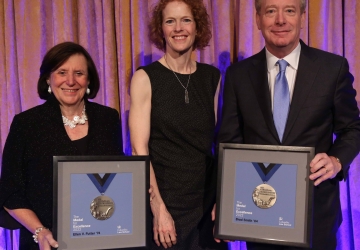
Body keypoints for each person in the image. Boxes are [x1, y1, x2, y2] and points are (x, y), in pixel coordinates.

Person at [218, 0, 360, 249]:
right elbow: (229, 142)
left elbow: (353, 128)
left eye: (290, 11)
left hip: (316, 214)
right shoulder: (237, 76)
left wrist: (336, 161)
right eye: (271, 11)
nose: (280, 20)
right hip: (258, 215)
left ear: (302, 18)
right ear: (258, 19)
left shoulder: (332, 68)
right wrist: (228, 205)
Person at [0, 41, 124, 250]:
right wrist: (40, 231)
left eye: (79, 73)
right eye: (62, 72)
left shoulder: (108, 118)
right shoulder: (26, 124)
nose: (70, 81)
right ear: (48, 78)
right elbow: (10, 191)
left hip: (102, 238)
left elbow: (117, 179)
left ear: (89, 79)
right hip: (47, 242)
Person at [129, 0, 227, 249]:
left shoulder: (212, 77)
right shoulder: (145, 78)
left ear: (197, 27)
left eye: (186, 20)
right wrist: (158, 208)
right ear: (161, 29)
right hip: (164, 203)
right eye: (170, 21)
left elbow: (216, 145)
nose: (178, 28)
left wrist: (223, 202)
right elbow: (140, 151)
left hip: (205, 205)